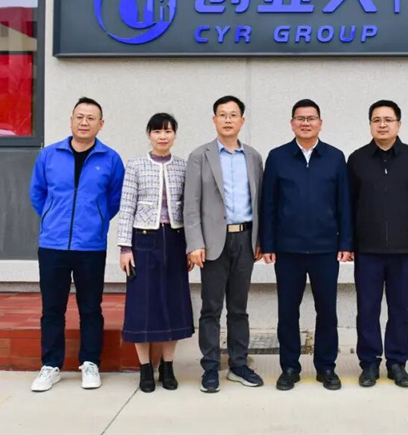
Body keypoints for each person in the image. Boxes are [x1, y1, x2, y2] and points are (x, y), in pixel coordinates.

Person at [29, 97, 125, 392]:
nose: (84, 122)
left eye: (91, 118)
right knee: (52, 308)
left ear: (101, 124)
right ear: (71, 120)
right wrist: (53, 218)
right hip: (53, 244)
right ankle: (51, 365)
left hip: (90, 246)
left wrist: (95, 220)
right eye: (80, 117)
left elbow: (114, 200)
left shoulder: (110, 159)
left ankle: (90, 363)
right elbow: (38, 194)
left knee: (91, 308)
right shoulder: (49, 155)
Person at [261, 99, 353, 391]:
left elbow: (344, 203)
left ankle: (326, 366)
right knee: (288, 311)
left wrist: (346, 241)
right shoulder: (277, 157)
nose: (305, 123)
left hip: (326, 248)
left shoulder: (335, 157)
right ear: (292, 124)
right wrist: (267, 244)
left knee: (327, 311)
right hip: (287, 249)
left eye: (311, 118)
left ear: (320, 123)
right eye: (300, 118)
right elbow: (268, 203)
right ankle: (289, 367)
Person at [347, 100, 408, 388]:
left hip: (403, 250)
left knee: (400, 308)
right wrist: (348, 243)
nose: (382, 125)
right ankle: (369, 362)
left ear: (399, 124)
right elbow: (348, 205)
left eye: (388, 120)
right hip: (367, 250)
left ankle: (397, 362)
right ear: (370, 124)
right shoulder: (357, 159)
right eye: (376, 120)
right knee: (367, 309)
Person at [184, 95, 265, 393]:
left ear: (242, 121)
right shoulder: (199, 156)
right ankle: (210, 367)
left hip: (245, 238)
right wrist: (195, 242)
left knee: (239, 308)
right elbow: (190, 204)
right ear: (214, 120)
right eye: (222, 114)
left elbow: (260, 201)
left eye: (233, 115)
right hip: (212, 242)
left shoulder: (253, 156)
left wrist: (260, 239)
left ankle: (239, 364)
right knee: (211, 308)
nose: (228, 119)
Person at [115, 112, 194, 393]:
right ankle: (145, 368)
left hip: (175, 239)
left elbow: (189, 208)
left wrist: (191, 247)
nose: (163, 136)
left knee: (173, 302)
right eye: (157, 131)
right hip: (143, 241)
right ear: (149, 134)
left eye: (168, 131)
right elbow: (126, 207)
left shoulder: (183, 166)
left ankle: (168, 367)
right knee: (142, 304)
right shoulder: (136, 165)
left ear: (175, 135)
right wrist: (125, 247)